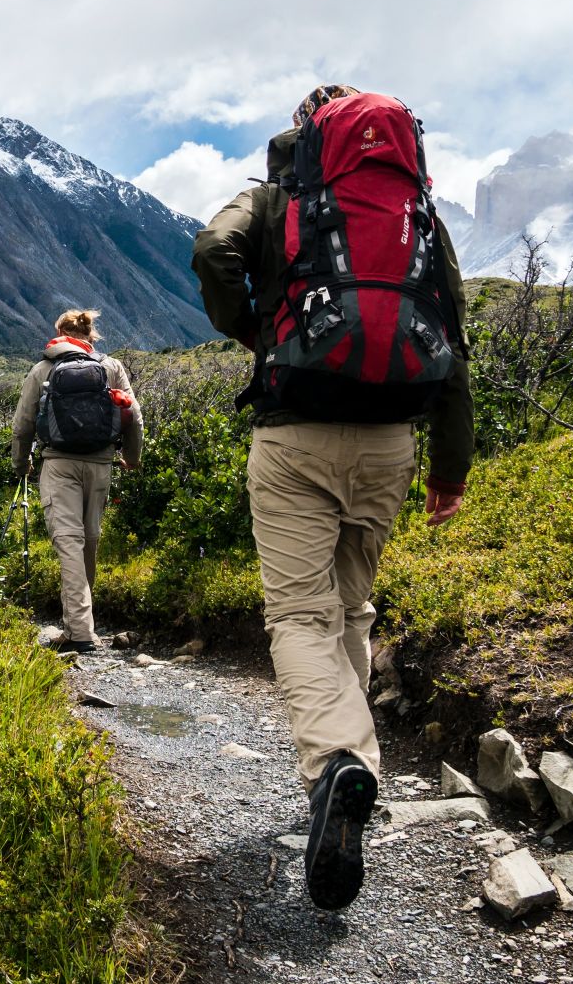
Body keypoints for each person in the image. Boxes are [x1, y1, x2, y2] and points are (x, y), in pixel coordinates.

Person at [192, 84, 473, 911]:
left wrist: (252, 328)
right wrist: (449, 469)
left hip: (295, 433)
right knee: (351, 609)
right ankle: (351, 769)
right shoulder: (415, 212)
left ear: (307, 133)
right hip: (391, 440)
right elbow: (452, 331)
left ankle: (337, 767)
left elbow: (213, 251)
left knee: (299, 617)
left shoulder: (280, 197)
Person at [11, 309, 143, 654]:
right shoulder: (110, 367)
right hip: (100, 465)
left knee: (68, 542)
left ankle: (80, 632)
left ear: (59, 333)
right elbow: (134, 416)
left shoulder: (43, 369)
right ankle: (81, 624)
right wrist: (131, 457)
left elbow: (23, 425)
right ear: (90, 335)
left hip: (59, 465)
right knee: (89, 540)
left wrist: (21, 463)